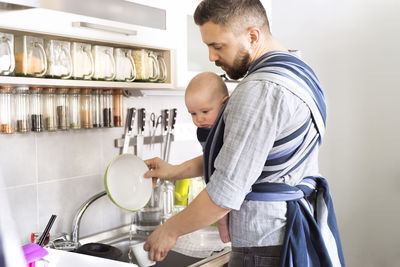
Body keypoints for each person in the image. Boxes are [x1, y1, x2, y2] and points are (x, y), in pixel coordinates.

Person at [143, 0, 345, 266]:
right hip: (289, 230)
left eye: (217, 46)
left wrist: (169, 231)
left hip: (265, 241)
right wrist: (175, 171)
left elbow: (225, 192)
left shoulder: (260, 89)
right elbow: (249, 161)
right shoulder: (300, 72)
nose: (212, 57)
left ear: (252, 36)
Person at [185, 71, 231, 243]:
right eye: (193, 114)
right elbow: (208, 158)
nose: (199, 119)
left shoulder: (228, 127)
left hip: (227, 186)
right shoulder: (203, 131)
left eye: (204, 111)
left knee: (225, 214)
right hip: (213, 183)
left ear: (224, 104)